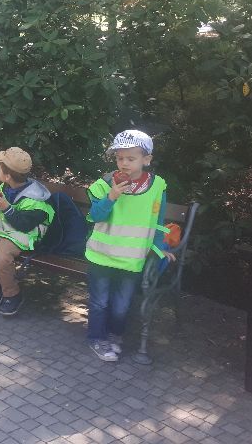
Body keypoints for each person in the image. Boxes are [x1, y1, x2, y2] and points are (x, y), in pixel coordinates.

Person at [85, 130, 174, 362]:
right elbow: (95, 216)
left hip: (132, 259)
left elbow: (158, 221)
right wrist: (112, 196)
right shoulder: (104, 184)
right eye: (119, 158)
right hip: (101, 256)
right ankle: (96, 338)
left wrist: (158, 248)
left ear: (147, 159)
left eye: (131, 158)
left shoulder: (157, 187)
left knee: (121, 306)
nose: (124, 163)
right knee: (99, 302)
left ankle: (115, 335)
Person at [0, 147, 54, 316]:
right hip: (2, 228)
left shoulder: (36, 199)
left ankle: (12, 294)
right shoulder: (6, 186)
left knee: (1, 257)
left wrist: (6, 207)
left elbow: (24, 225)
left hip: (22, 234)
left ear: (7, 176)